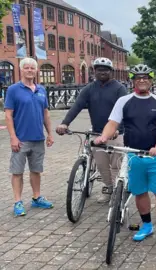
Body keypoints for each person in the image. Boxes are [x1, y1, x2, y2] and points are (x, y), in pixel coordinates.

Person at [94, 64, 156, 248]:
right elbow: (112, 123)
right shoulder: (124, 101)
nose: (142, 80)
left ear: (150, 80)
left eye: (145, 77)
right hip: (133, 154)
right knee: (140, 193)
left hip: (154, 155)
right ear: (133, 81)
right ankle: (147, 225)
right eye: (138, 77)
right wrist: (103, 137)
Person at [56, 57, 128, 203]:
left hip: (117, 133)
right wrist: (65, 123)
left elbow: (125, 111)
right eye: (99, 69)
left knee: (116, 164)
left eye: (106, 69)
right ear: (94, 71)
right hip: (97, 132)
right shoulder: (89, 89)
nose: (102, 72)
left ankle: (117, 192)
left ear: (111, 72)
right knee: (101, 164)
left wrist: (118, 129)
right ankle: (108, 188)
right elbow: (76, 106)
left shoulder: (119, 88)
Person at [4, 57, 54, 216]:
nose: (30, 71)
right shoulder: (13, 90)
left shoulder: (41, 90)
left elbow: (45, 113)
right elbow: (8, 115)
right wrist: (13, 137)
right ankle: (18, 202)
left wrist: (50, 134)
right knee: (17, 171)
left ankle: (36, 197)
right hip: (21, 139)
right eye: (26, 68)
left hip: (38, 138)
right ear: (21, 70)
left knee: (36, 170)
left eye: (32, 68)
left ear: (36, 70)